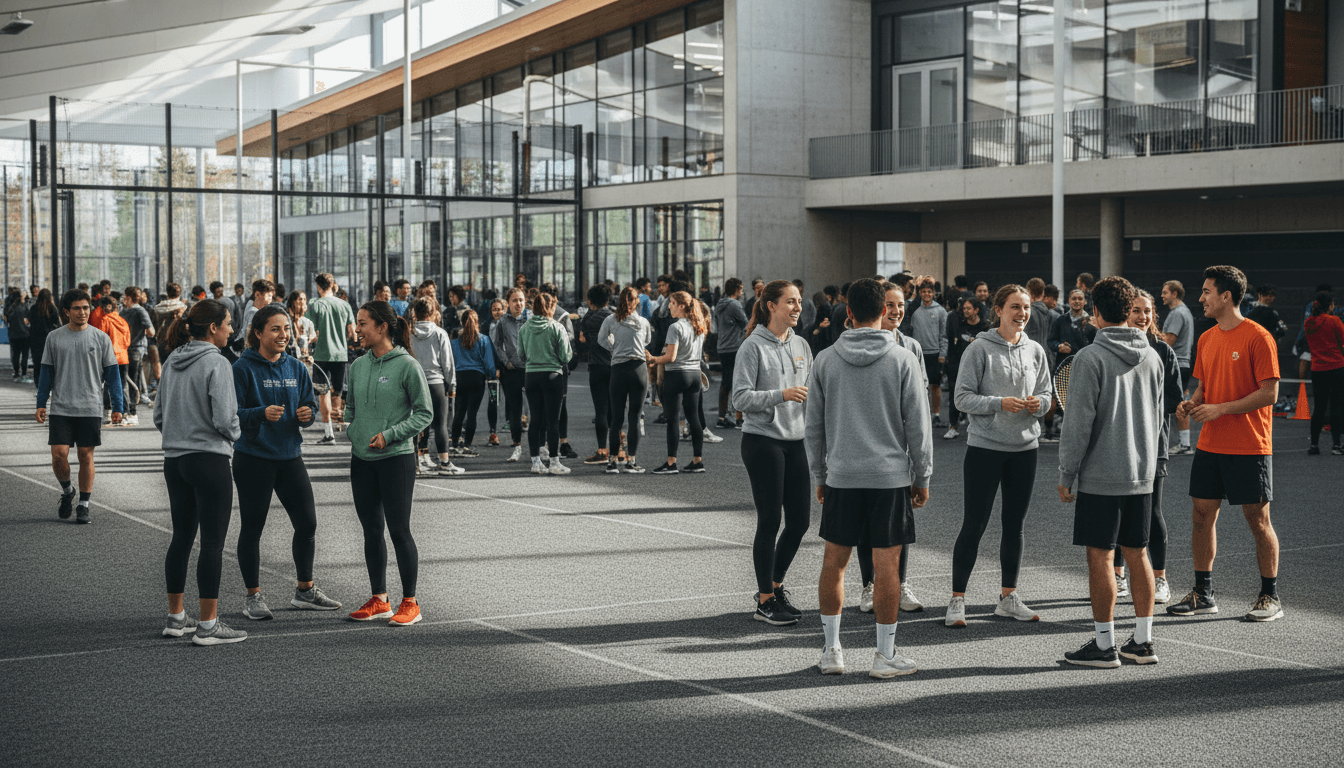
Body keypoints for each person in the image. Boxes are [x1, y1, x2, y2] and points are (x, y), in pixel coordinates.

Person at [806, 277, 932, 679]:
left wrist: (819, 474)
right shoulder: (902, 358)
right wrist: (922, 475)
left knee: (834, 563)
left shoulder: (824, 358)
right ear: (883, 313)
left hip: (842, 475)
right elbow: (919, 425)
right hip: (889, 477)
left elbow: (814, 427)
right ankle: (884, 655)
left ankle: (831, 651)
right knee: (887, 567)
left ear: (847, 313)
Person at [1057, 276, 1164, 668]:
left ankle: (1104, 645)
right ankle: (1143, 642)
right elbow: (1157, 420)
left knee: (1101, 557)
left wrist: (1067, 473)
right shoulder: (1153, 356)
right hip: (1141, 472)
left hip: (1102, 474)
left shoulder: (1089, 358)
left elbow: (1078, 424)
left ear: (1096, 312)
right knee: (1138, 554)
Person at [1170, 265, 1283, 622]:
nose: (1200, 298)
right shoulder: (1207, 338)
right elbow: (1205, 386)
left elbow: (1270, 393)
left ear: (1226, 296)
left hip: (1250, 445)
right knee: (1201, 516)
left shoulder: (1258, 337)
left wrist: (1221, 409)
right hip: (1211, 445)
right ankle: (1203, 593)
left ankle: (1270, 596)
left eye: (1206, 292)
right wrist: (1193, 400)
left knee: (1258, 520)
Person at [946, 285, 1052, 628]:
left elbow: (1048, 393)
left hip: (1025, 449)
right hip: (985, 448)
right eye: (1015, 307)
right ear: (998, 310)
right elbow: (961, 398)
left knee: (1014, 525)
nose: (1022, 313)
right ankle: (957, 600)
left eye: (1026, 307)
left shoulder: (1035, 350)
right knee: (974, 524)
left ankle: (1008, 597)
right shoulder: (979, 349)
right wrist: (999, 403)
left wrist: (1042, 404)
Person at [231, 305, 341, 620]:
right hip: (253, 458)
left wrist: (307, 415)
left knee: (307, 523)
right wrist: (259, 413)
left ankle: (304, 591)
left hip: (290, 456)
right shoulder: (242, 368)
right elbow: (231, 415)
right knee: (253, 528)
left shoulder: (295, 367)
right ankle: (253, 596)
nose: (284, 335)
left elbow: (306, 405)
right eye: (276, 329)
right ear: (258, 333)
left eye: (287, 329)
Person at [155, 299, 245, 645]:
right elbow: (225, 418)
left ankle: (176, 618)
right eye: (227, 325)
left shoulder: (174, 358)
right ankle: (208, 625)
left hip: (174, 460)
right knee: (212, 542)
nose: (232, 330)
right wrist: (235, 434)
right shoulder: (217, 363)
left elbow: (158, 416)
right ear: (212, 328)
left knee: (181, 537)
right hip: (208, 460)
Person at [345, 301, 434, 626]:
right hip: (362, 460)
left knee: (399, 530)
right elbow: (351, 409)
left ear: (382, 327)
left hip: (395, 460)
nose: (358, 329)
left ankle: (410, 602)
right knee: (371, 531)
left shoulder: (407, 365)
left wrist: (391, 434)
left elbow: (425, 412)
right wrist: (354, 430)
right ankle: (379, 599)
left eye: (363, 323)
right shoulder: (357, 366)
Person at [733, 280, 813, 626]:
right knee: (770, 521)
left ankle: (776, 586)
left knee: (800, 522)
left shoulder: (801, 345)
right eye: (791, 302)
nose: (797, 307)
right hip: (762, 440)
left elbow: (811, 396)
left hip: (796, 441)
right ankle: (764, 600)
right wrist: (780, 395)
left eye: (799, 302)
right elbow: (739, 399)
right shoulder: (752, 347)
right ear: (771, 306)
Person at [853, 282, 929, 616]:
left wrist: (920, 459)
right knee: (866, 524)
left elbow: (920, 400)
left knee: (901, 524)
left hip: (899, 450)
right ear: (877, 308)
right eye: (890, 305)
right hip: (864, 447)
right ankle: (870, 585)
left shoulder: (911, 347)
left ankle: (899, 583)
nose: (896, 311)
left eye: (900, 305)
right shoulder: (853, 346)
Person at [1112, 289, 1183, 605]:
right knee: (1115, 511)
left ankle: (1160, 578)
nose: (1142, 317)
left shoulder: (1163, 352)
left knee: (1152, 512)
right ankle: (1117, 575)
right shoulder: (1112, 348)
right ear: (1126, 313)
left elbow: (1174, 398)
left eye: (1148, 311)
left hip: (1154, 447)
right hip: (1117, 446)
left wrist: (1143, 404)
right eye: (1136, 311)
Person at [35, 289, 124, 525]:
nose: (82, 312)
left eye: (85, 307)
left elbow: (113, 375)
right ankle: (67, 491)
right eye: (76, 308)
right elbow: (46, 372)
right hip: (61, 407)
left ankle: (84, 504)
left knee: (85, 455)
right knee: (58, 455)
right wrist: (40, 403)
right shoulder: (54, 337)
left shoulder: (100, 338)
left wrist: (118, 406)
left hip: (90, 406)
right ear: (66, 311)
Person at [648, 291, 708, 474]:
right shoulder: (698, 325)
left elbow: (670, 357)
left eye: (673, 303)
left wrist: (653, 359)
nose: (669, 306)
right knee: (694, 417)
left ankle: (671, 462)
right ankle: (697, 460)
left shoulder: (675, 327)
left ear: (682, 306)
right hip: (695, 374)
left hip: (677, 375)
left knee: (673, 419)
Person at [598, 287, 655, 473]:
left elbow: (601, 340)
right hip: (638, 369)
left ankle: (612, 461)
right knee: (635, 417)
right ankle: (632, 460)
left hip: (619, 369)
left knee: (616, 418)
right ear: (637, 301)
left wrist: (614, 347)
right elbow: (646, 341)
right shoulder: (643, 322)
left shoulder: (611, 320)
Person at [518, 291, 574, 475]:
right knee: (553, 421)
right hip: (552, 375)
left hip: (531, 375)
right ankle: (554, 462)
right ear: (550, 308)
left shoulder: (524, 328)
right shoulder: (556, 327)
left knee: (535, 419)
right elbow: (566, 356)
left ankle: (535, 462)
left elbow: (521, 355)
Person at [408, 297, 462, 476]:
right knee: (440, 424)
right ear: (432, 313)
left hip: (415, 381)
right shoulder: (439, 333)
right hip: (436, 382)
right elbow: (447, 362)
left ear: (415, 312)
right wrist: (451, 383)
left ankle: (416, 462)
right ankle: (444, 462)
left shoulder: (409, 333)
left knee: (415, 424)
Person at [306, 273, 356, 446]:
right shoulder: (344, 305)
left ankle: (329, 434)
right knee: (337, 392)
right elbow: (353, 333)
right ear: (332, 285)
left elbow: (311, 332)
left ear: (318, 287)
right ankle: (340, 426)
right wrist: (342, 340)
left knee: (322, 393)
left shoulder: (314, 304)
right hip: (340, 354)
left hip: (321, 355)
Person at [450, 308, 497, 457]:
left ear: (462, 322)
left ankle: (454, 445)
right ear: (477, 322)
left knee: (459, 412)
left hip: (460, 377)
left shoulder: (454, 343)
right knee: (472, 414)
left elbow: (450, 362)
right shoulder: (484, 339)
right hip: (477, 378)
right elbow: (489, 364)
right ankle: (467, 445)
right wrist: (491, 375)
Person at [491, 287, 530, 462]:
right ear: (508, 303)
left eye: (521, 300)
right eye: (515, 300)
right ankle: (517, 445)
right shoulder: (503, 322)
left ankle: (540, 446)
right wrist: (506, 361)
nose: (519, 304)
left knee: (537, 409)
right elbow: (497, 344)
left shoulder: (532, 318)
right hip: (512, 371)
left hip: (532, 370)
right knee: (514, 410)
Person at [943, 296, 990, 440]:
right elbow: (953, 344)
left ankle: (981, 428)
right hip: (958, 364)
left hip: (980, 367)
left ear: (976, 310)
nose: (965, 311)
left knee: (981, 396)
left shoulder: (986, 327)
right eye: (964, 308)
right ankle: (953, 426)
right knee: (954, 395)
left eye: (968, 308)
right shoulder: (960, 326)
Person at [1303, 291, 1344, 455]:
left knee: (1318, 408)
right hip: (1337, 368)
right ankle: (1336, 446)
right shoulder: (1334, 320)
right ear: (1330, 305)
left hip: (1317, 369)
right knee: (1336, 406)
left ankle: (1314, 445)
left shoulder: (1308, 323)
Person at [579, 284, 616, 465]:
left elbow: (584, 341)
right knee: (616, 409)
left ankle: (602, 450)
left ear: (590, 302)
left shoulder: (587, 319)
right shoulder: (614, 316)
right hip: (615, 366)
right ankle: (620, 450)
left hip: (596, 367)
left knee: (600, 410)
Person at [1161, 280, 1196, 455]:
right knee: (1180, 403)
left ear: (1174, 294)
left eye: (1165, 292)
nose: (1162, 295)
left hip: (1176, 365)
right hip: (1183, 364)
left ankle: (1184, 444)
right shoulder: (1185, 312)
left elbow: (1168, 342)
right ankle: (1184, 443)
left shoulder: (1177, 313)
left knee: (1178, 405)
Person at [909, 280, 949, 428]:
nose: (926, 294)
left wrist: (943, 354)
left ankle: (936, 415)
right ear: (920, 293)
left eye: (929, 291)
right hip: (918, 354)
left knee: (935, 385)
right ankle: (922, 415)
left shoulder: (940, 311)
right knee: (919, 386)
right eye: (924, 291)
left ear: (933, 293)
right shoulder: (914, 311)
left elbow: (944, 335)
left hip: (935, 354)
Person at [713, 278, 749, 429]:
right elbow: (746, 322)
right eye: (741, 289)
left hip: (722, 347)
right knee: (738, 381)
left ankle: (722, 416)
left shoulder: (719, 305)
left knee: (726, 382)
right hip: (734, 346)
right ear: (737, 289)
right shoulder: (734, 304)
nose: (742, 292)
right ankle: (738, 418)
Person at [91, 295, 131, 425]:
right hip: (123, 357)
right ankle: (124, 413)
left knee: (108, 386)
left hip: (109, 357)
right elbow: (127, 341)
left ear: (108, 306)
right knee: (123, 386)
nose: (101, 310)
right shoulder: (123, 321)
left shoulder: (105, 320)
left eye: (103, 307)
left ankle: (108, 412)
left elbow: (101, 340)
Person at [120, 287, 155, 423]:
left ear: (128, 298)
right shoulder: (141, 311)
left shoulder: (123, 313)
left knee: (124, 381)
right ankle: (132, 413)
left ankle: (125, 411)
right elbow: (151, 331)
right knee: (135, 381)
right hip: (137, 349)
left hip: (124, 349)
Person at [27, 289, 63, 390]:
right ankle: (49, 385)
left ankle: (39, 385)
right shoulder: (52, 308)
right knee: (50, 363)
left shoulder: (34, 308)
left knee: (37, 363)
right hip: (49, 339)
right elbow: (58, 324)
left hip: (35, 340)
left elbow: (30, 322)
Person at [1049, 289, 1096, 361]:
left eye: (1080, 299)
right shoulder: (1060, 320)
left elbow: (1096, 346)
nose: (1077, 301)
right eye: (1074, 299)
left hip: (1085, 364)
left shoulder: (1091, 322)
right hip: (1064, 365)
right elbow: (1050, 341)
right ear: (1069, 300)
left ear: (1085, 301)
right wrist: (1058, 346)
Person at [6, 286, 32, 381]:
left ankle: (16, 373)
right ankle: (24, 373)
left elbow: (7, 319)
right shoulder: (25, 306)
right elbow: (30, 319)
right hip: (25, 334)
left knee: (15, 355)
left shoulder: (11, 308)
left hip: (13, 334)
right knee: (24, 355)